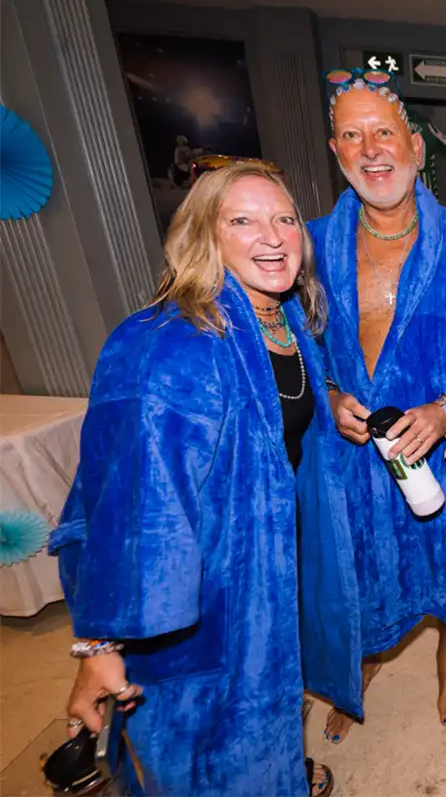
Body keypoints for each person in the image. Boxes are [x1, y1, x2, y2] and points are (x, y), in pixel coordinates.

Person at [50, 161, 356, 796]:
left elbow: (282, 401)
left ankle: (279, 766)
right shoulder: (168, 344)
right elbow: (124, 511)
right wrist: (99, 645)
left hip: (270, 565)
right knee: (200, 756)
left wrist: (328, 398)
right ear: (203, 236)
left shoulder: (284, 318)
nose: (272, 237)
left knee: (266, 706)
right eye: (242, 220)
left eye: (285, 219)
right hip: (200, 602)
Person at [312, 69, 446, 739]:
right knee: (361, 569)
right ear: (335, 151)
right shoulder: (308, 245)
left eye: (384, 132)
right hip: (352, 453)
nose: (371, 149)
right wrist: (329, 391)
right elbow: (285, 340)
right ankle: (367, 659)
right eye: (352, 135)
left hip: (443, 452)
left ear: (415, 145)